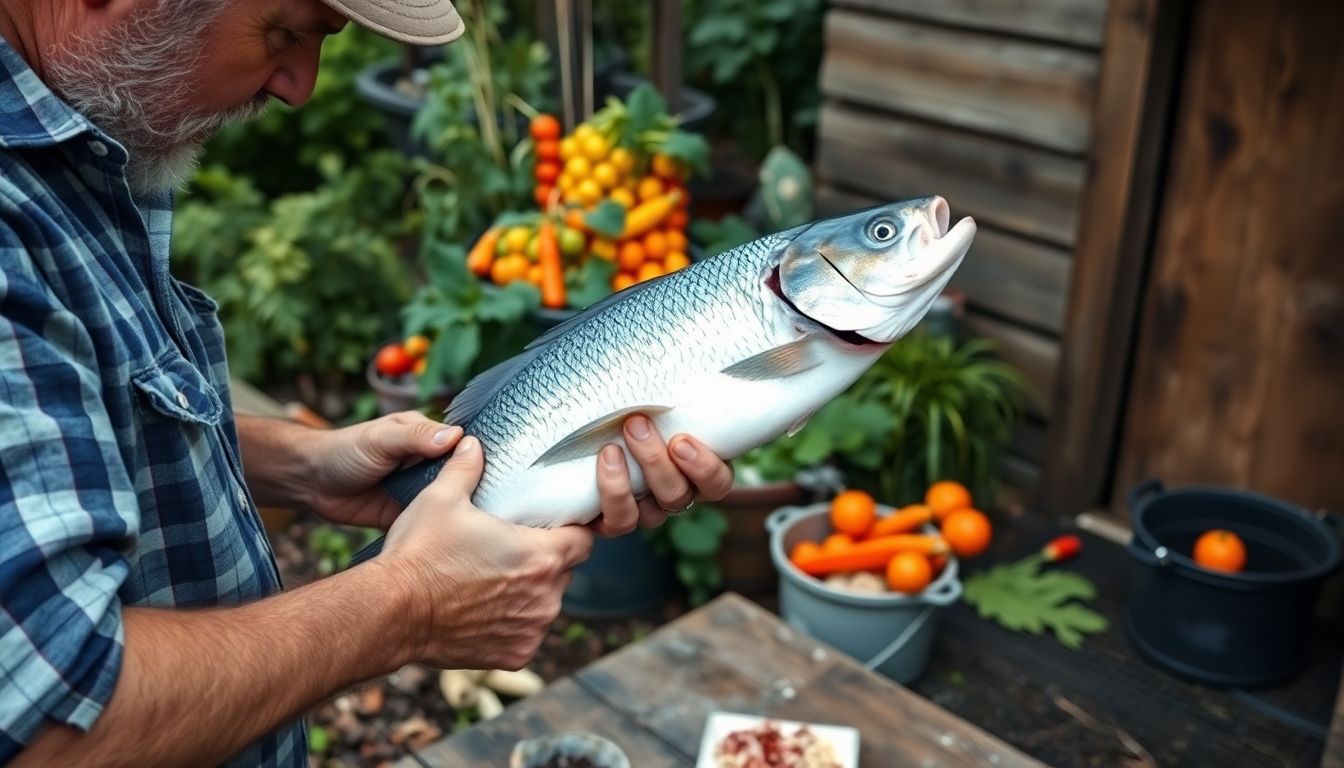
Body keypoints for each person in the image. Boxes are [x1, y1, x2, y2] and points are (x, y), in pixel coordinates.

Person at [0, 0, 736, 765]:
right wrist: (408, 605)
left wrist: (304, 466)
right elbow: (48, 718)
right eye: (285, 32)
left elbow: (73, 422)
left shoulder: (82, 136)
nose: (299, 86)